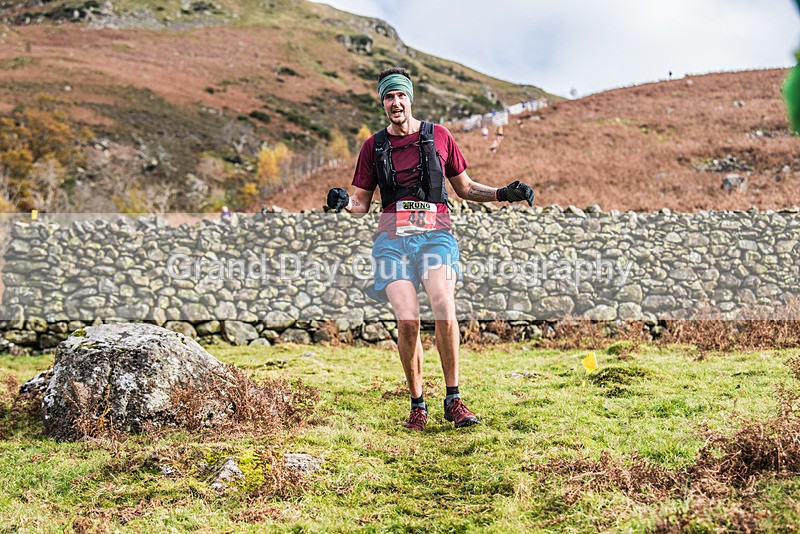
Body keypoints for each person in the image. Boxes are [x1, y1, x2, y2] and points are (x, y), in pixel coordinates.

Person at [326, 67, 534, 431]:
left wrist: (503, 193)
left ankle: (453, 400)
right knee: (408, 322)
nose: (395, 102)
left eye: (400, 95)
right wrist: (342, 202)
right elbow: (361, 204)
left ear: (410, 98)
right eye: (388, 97)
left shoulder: (439, 136)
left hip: (436, 237)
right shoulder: (373, 147)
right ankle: (417, 403)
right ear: (382, 103)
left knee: (443, 304)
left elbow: (465, 188)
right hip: (391, 244)